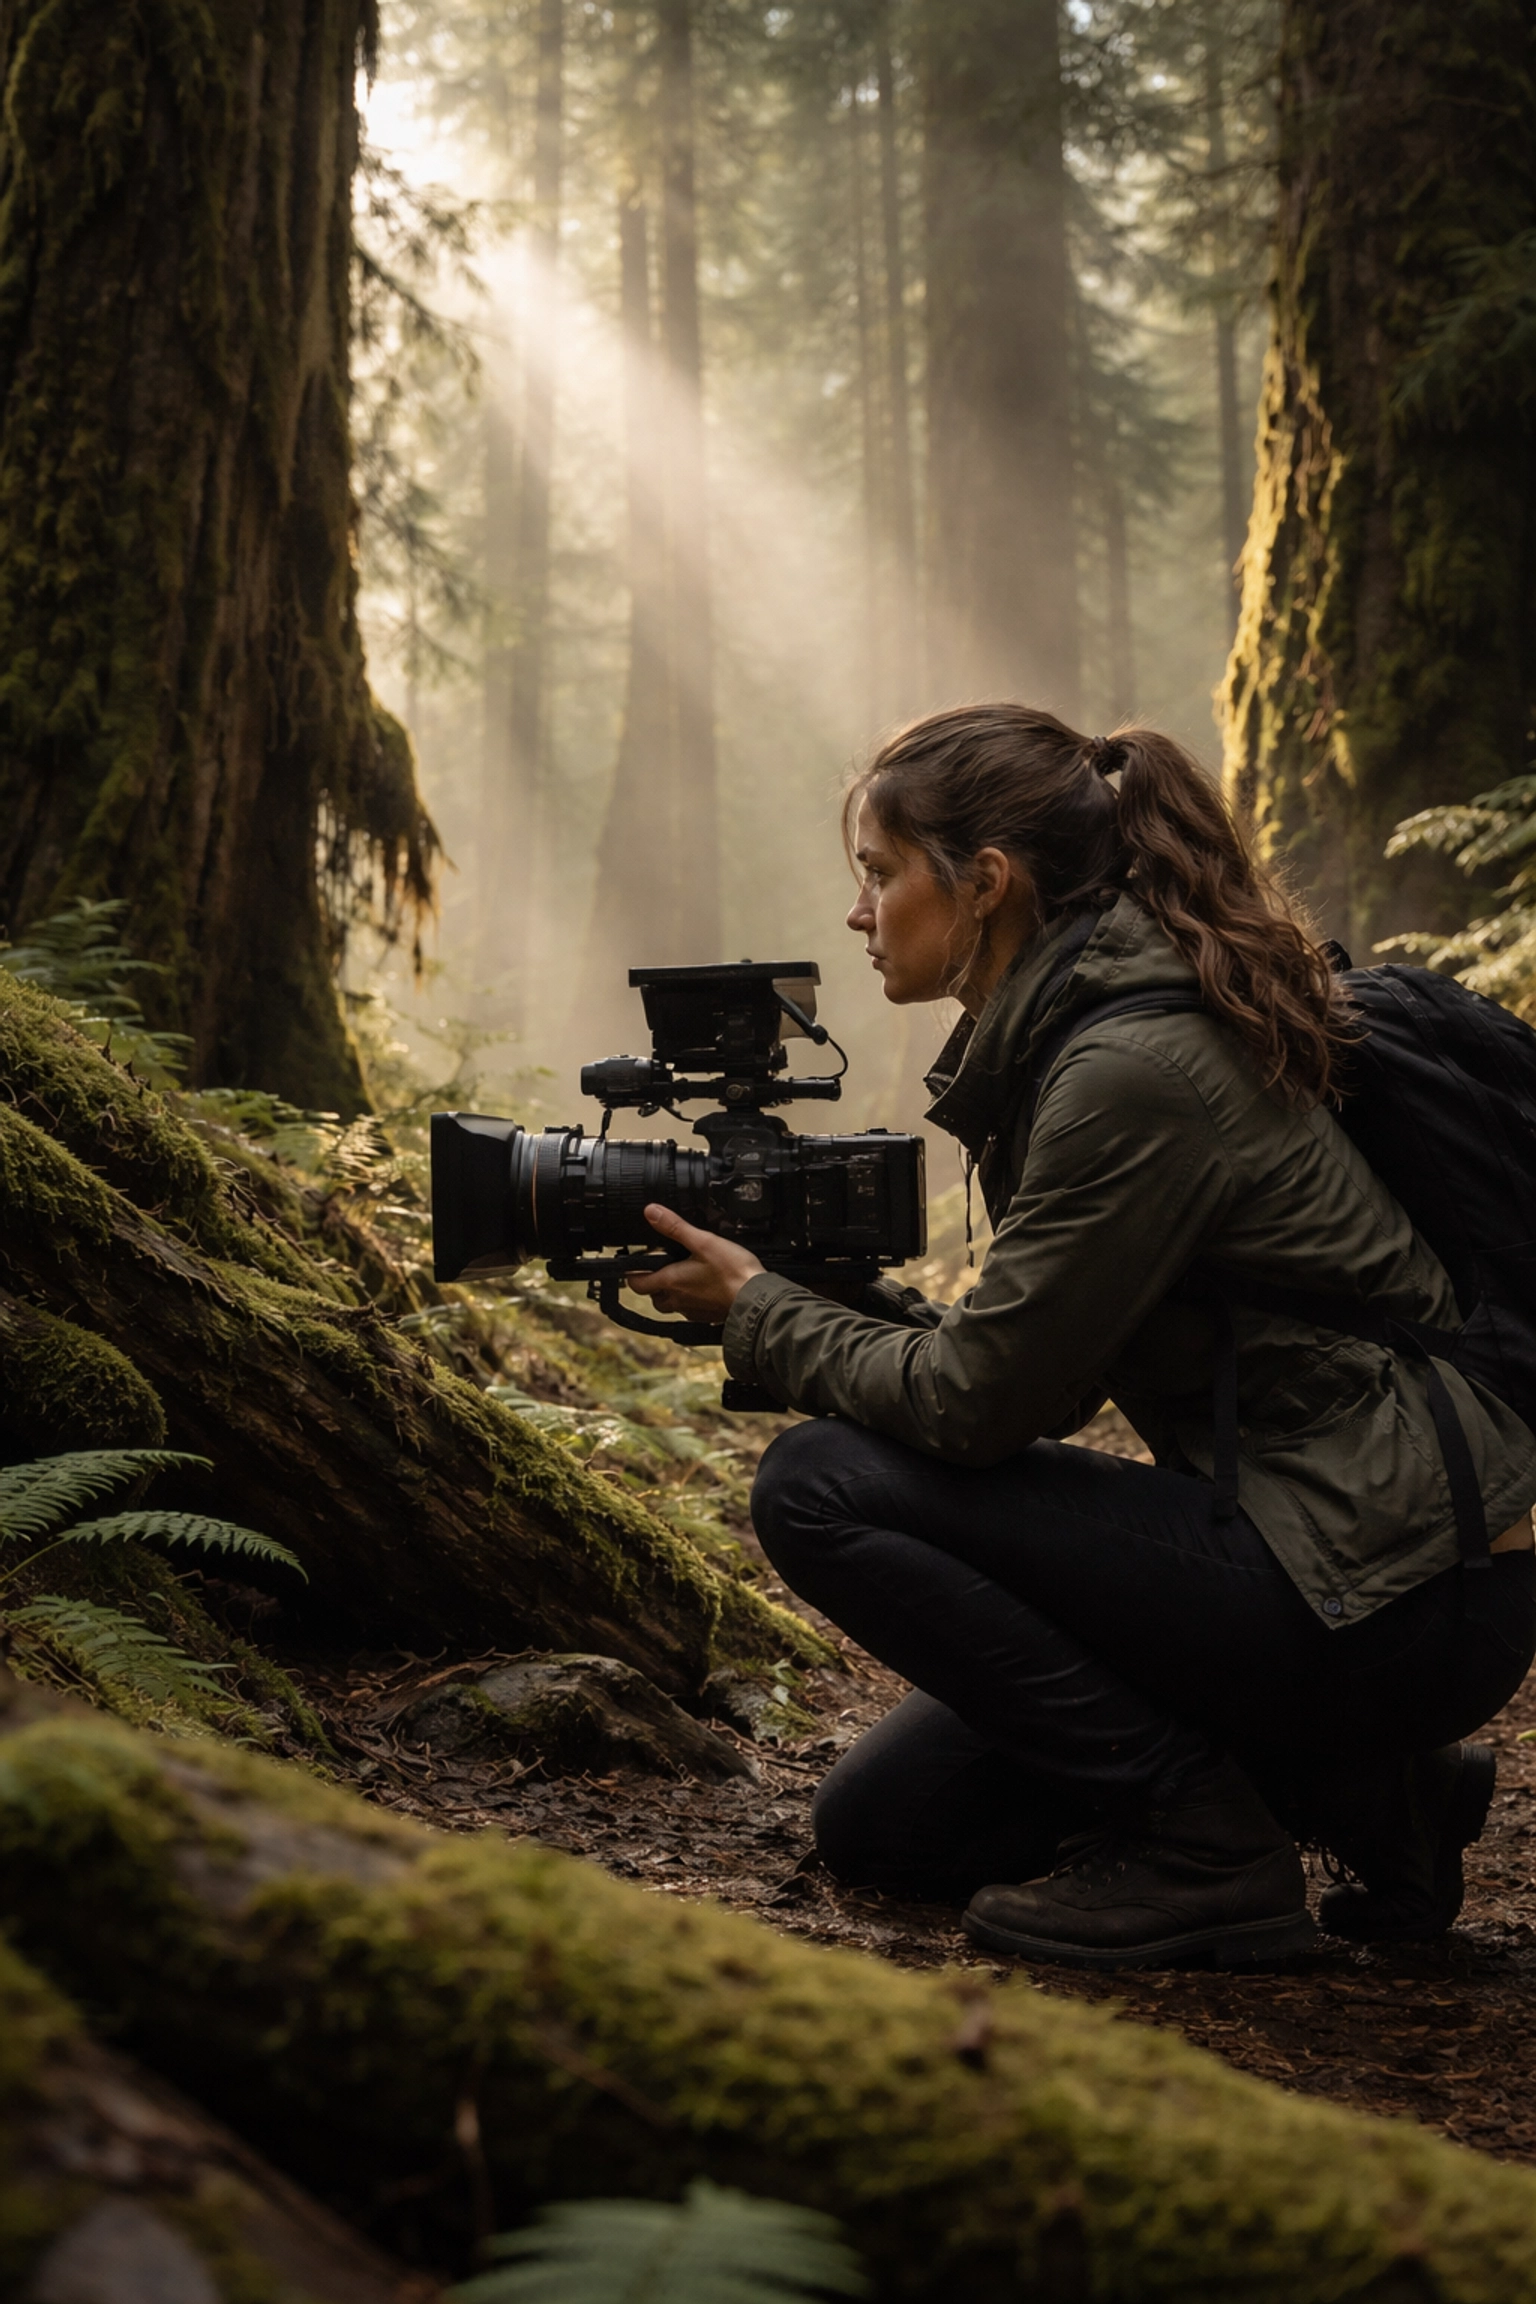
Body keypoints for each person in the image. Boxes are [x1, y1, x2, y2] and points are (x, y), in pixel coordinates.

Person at [627, 706, 1536, 1970]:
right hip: (1360, 1559)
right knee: (886, 1827)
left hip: (1395, 1588)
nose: (859, 912)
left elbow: (978, 1411)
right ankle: (1375, 1793)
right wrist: (807, 1290)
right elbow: (1037, 1384)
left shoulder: (1131, 1068)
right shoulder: (1090, 1030)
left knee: (818, 1488)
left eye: (879, 875)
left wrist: (766, 1317)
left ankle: (1208, 1849)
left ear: (986, 883)